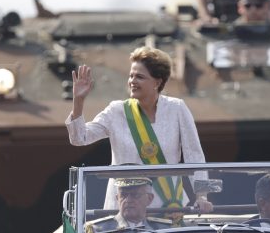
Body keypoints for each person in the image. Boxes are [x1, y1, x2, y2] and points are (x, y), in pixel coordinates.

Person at [66, 46, 212, 212]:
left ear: (157, 82)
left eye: (140, 77)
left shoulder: (177, 109)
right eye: (131, 76)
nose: (132, 81)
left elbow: (195, 156)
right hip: (124, 209)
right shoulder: (116, 111)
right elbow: (79, 138)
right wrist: (78, 100)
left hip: (167, 208)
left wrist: (202, 196)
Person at [84, 177, 172, 233]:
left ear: (149, 199)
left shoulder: (163, 229)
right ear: (117, 198)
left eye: (135, 195)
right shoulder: (98, 229)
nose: (128, 200)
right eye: (123, 195)